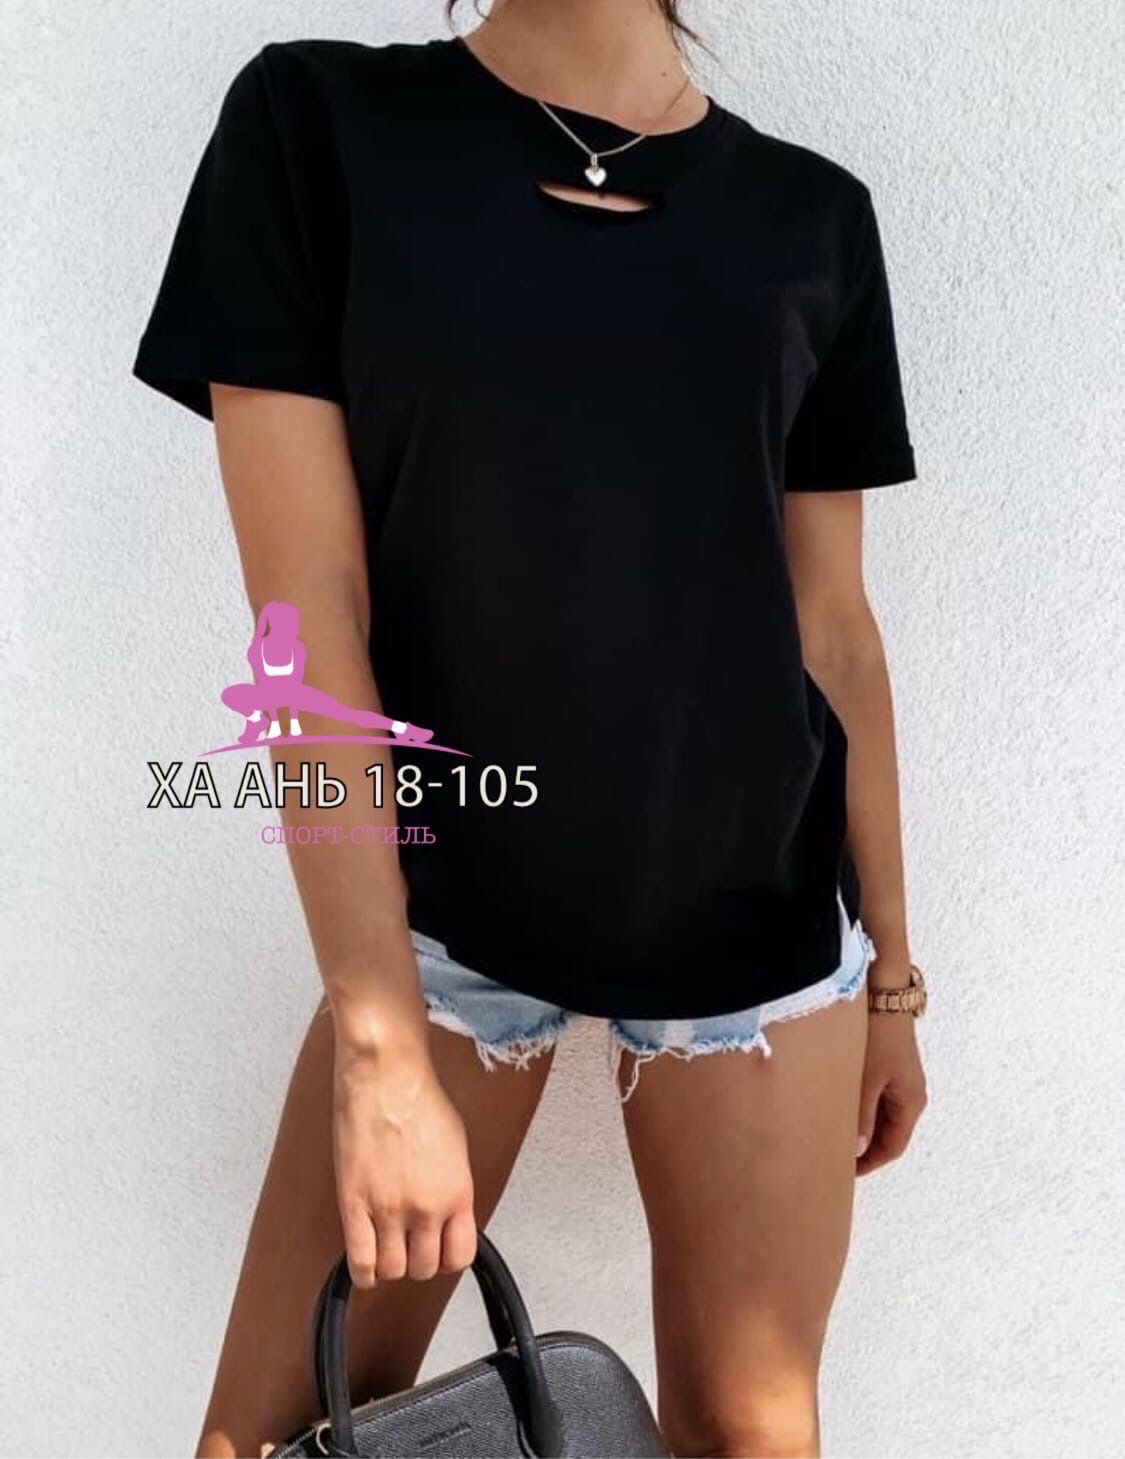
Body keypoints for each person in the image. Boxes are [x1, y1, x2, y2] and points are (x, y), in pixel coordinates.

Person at [133, 2, 929, 1454]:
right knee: (272, 1441)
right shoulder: (319, 126)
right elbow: (307, 618)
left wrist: (892, 975)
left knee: (754, 1432)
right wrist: (378, 1039)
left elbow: (834, 632)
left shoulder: (811, 218)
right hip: (445, 916)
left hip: (757, 920)